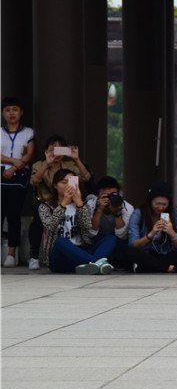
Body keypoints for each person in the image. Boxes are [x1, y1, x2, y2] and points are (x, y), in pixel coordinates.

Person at [28, 135, 92, 270]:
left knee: (108, 239)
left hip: (72, 202)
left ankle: (90, 260)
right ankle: (34, 256)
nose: (56, 152)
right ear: (46, 150)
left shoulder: (70, 166)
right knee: (38, 218)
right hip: (47, 204)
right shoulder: (39, 165)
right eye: (53, 149)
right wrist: (47, 163)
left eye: (60, 149)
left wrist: (76, 158)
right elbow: (34, 181)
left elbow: (86, 177)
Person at [39, 168, 117, 274]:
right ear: (55, 185)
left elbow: (87, 227)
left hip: (81, 253)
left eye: (71, 182)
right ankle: (97, 263)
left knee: (110, 238)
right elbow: (50, 226)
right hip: (60, 258)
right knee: (60, 241)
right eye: (64, 182)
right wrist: (63, 204)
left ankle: (90, 265)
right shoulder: (45, 207)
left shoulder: (82, 205)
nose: (68, 186)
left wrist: (80, 204)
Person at [126, 181, 177, 273]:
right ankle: (171, 268)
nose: (160, 207)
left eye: (164, 204)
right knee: (130, 252)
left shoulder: (173, 214)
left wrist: (172, 233)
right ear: (150, 201)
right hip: (147, 254)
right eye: (157, 203)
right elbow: (133, 245)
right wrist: (151, 234)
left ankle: (145, 267)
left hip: (166, 254)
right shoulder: (138, 214)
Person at [1, 97, 35, 267]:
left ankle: (12, 254)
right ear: (2, 113)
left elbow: (29, 155)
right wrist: (15, 161)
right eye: (7, 110)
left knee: (13, 215)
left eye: (15, 109)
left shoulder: (28, 132)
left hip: (19, 176)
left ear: (21, 112)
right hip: (3, 172)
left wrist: (14, 168)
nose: (11, 113)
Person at [87, 175, 134, 270]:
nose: (109, 199)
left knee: (118, 242)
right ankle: (98, 261)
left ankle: (97, 262)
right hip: (96, 241)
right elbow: (91, 233)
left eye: (113, 195)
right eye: (105, 196)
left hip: (117, 242)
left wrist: (117, 213)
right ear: (97, 196)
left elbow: (123, 236)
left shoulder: (127, 207)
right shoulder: (90, 205)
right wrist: (99, 210)